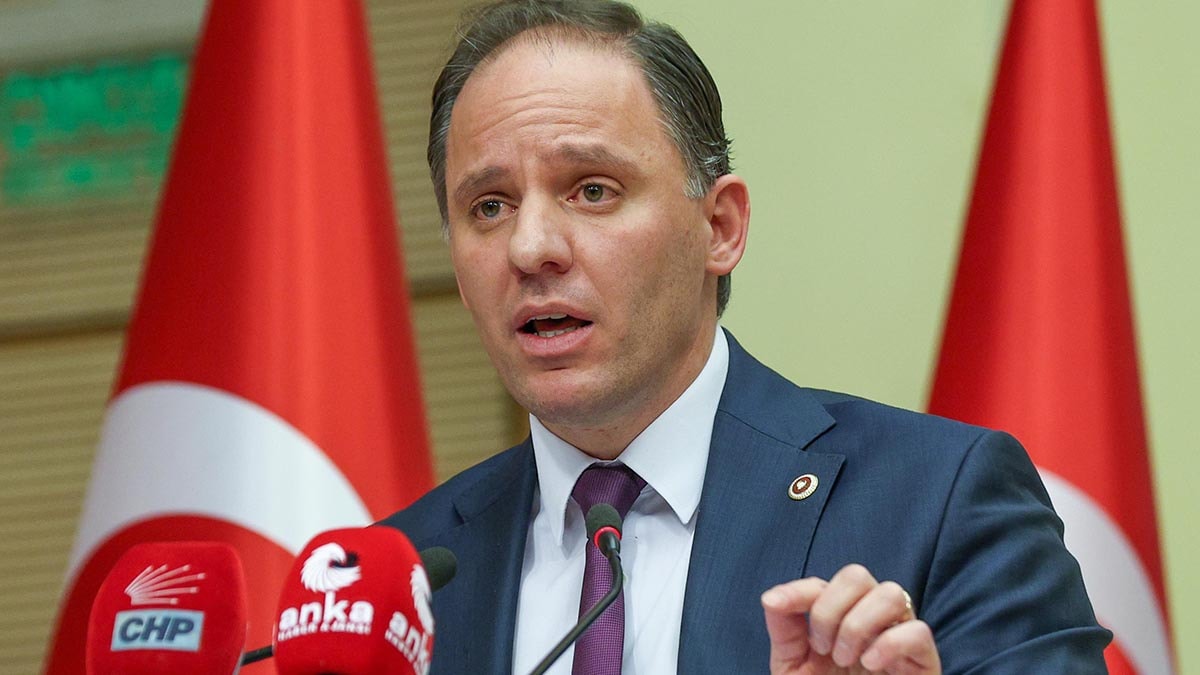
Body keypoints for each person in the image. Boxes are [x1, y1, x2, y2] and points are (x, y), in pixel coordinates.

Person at [380, 1, 1111, 673]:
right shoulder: (401, 575)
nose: (530, 247)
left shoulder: (940, 501)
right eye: (490, 206)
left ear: (720, 228)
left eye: (592, 189)